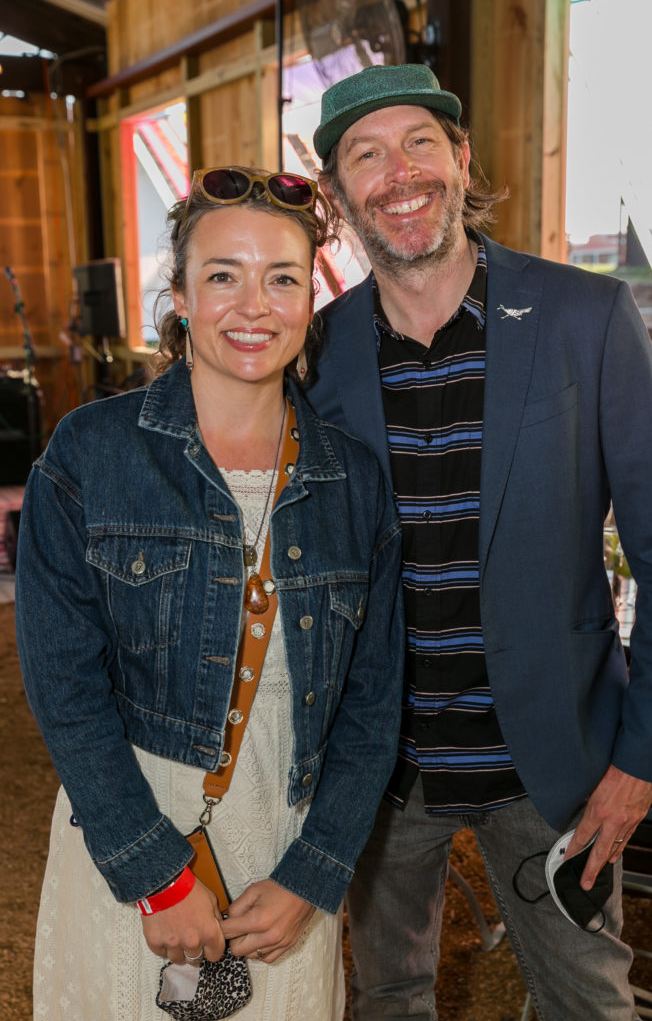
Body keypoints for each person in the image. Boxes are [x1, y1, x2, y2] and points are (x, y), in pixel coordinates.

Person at [305, 63, 652, 1020]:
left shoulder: (585, 317)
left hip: (554, 763)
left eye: (419, 143)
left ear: (461, 158)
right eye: (366, 154)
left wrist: (642, 762)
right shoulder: (314, 352)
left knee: (587, 1003)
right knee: (382, 998)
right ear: (339, 193)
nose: (398, 172)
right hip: (381, 767)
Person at [15, 165, 404, 1021]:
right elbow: (63, 687)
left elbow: (373, 706)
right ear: (181, 293)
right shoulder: (90, 455)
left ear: (313, 297)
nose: (253, 306)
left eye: (283, 278)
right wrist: (155, 873)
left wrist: (316, 870)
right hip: (130, 817)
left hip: (287, 834)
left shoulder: (355, 483)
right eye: (223, 275)